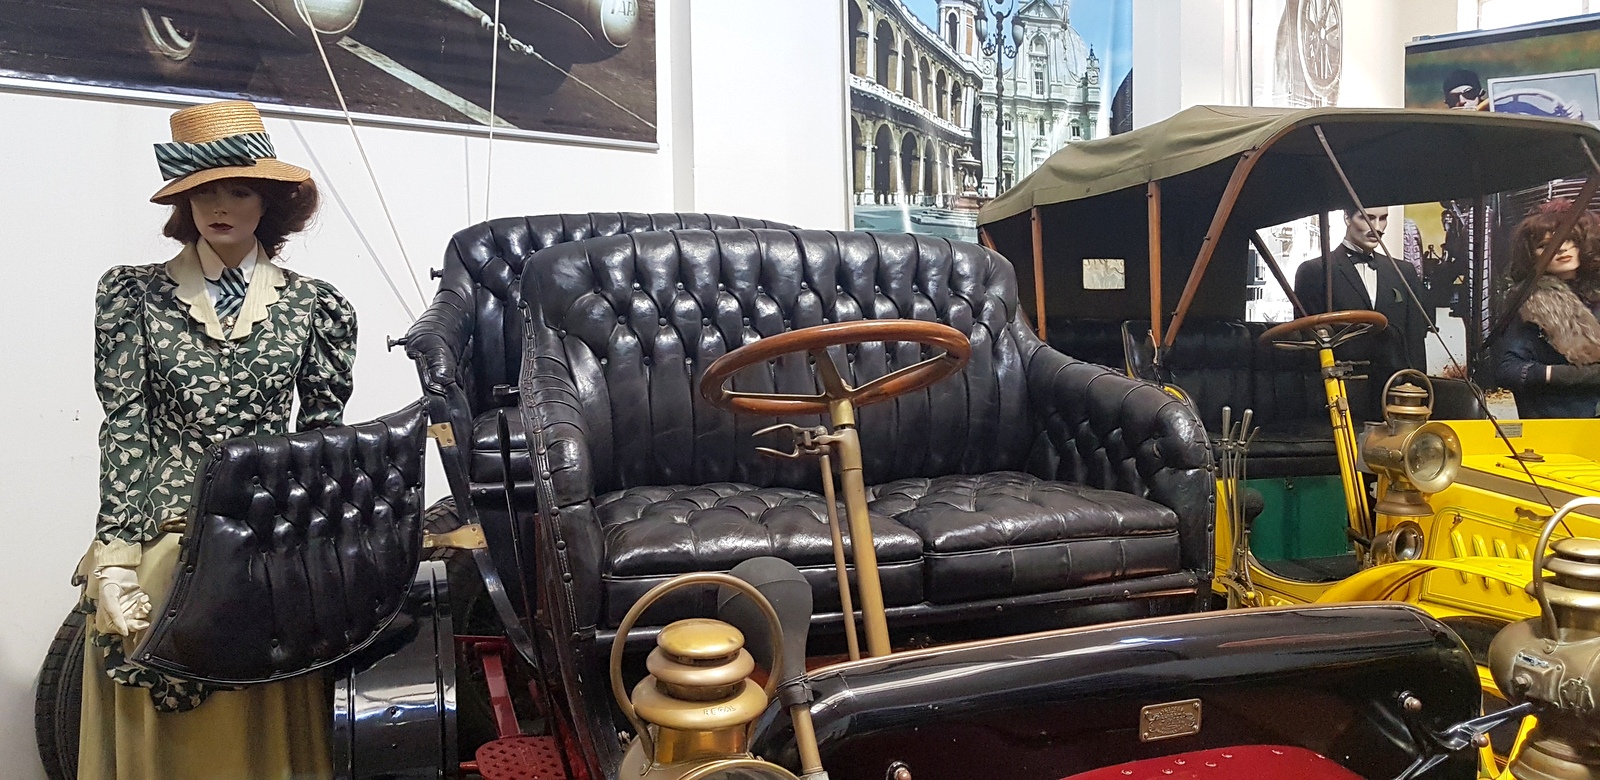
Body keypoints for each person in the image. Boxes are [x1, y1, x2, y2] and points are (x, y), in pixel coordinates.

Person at [75, 100, 355, 779]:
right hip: (162, 539)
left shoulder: (316, 307)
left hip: (266, 546)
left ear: (269, 204)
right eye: (204, 192)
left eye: (239, 191)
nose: (219, 207)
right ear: (185, 202)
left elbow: (320, 442)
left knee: (262, 731)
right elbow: (126, 427)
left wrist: (317, 560)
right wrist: (114, 560)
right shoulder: (133, 297)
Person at [1293, 206, 1429, 420]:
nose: (1377, 227)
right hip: (1336, 398)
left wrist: (1419, 392)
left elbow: (1414, 339)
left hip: (1393, 398)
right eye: (1367, 218)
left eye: (1383, 219)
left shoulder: (1403, 272)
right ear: (1347, 218)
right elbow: (1307, 343)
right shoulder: (1314, 272)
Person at [1496, 201, 1600, 419]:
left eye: (1570, 239)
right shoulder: (1529, 303)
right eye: (1545, 245)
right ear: (1531, 255)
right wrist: (1570, 375)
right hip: (1556, 419)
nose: (1561, 248)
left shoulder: (1596, 297)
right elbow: (1509, 370)